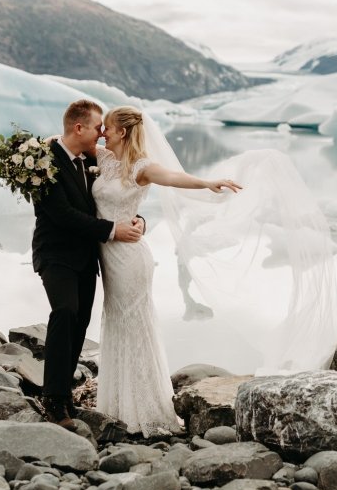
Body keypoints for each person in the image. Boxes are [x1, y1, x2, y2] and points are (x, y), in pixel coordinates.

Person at [93, 105, 241, 436]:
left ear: (122, 132)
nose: (102, 131)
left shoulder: (140, 166)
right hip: (109, 254)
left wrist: (207, 182)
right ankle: (117, 405)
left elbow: (173, 177)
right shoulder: (103, 159)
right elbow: (66, 144)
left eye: (107, 127)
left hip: (130, 257)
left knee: (135, 325)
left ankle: (143, 410)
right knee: (117, 323)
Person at [31, 99, 144, 430]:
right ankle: (51, 399)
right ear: (79, 128)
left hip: (86, 257)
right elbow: (62, 215)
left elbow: (114, 199)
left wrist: (137, 221)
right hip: (55, 254)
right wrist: (112, 231)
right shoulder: (44, 162)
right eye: (98, 127)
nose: (102, 133)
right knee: (64, 312)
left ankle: (64, 395)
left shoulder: (89, 161)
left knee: (79, 322)